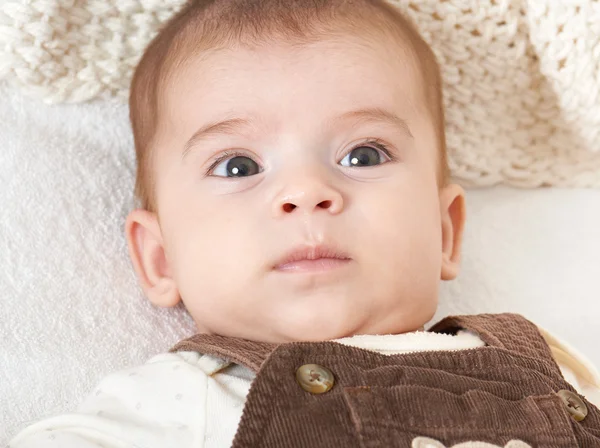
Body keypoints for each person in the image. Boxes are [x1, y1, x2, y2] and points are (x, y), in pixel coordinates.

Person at [9, 0, 600, 446]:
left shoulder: (541, 359)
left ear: (444, 232)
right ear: (161, 258)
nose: (307, 192)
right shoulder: (185, 398)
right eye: (238, 165)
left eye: (363, 156)